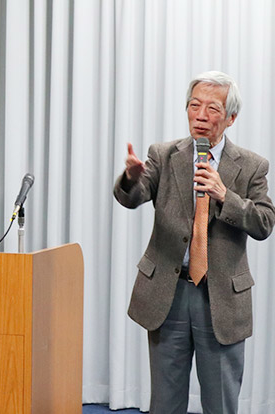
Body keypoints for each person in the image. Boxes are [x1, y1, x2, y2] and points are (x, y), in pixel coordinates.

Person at [113, 71, 275, 413]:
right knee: (166, 402)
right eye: (194, 105)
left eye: (212, 109)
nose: (201, 116)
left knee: (220, 402)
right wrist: (130, 178)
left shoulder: (251, 166)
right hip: (168, 294)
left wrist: (224, 195)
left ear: (231, 118)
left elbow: (263, 223)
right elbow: (134, 197)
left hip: (220, 299)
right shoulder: (164, 154)